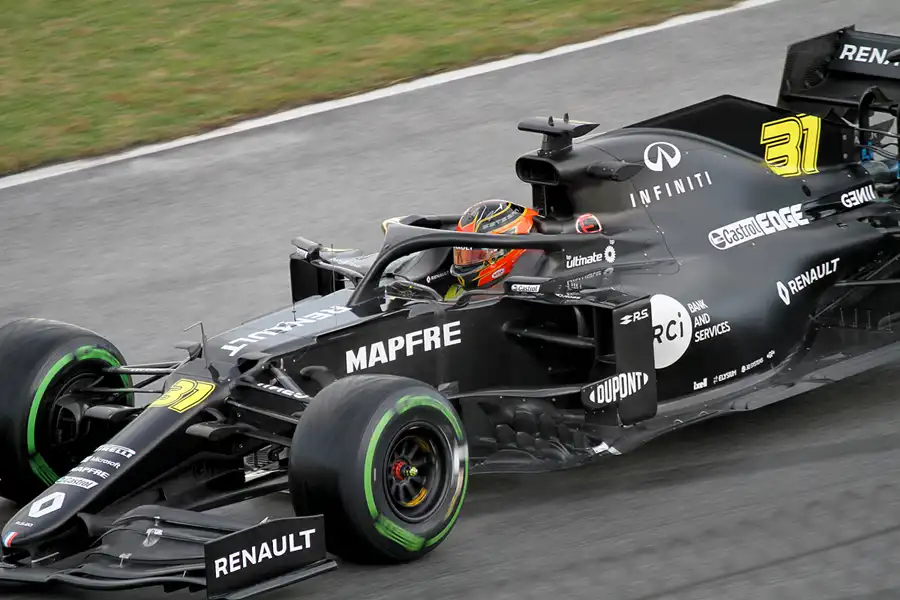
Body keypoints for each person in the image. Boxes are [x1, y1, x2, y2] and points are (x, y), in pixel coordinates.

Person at [444, 199, 538, 300]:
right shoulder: (455, 294)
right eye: (462, 254)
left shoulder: (531, 288)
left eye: (477, 255)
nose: (465, 263)